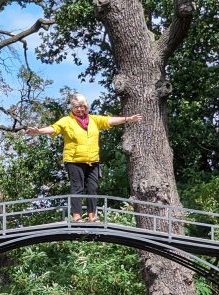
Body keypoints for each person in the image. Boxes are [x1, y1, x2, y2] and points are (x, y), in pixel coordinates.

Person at [25, 93, 142, 222]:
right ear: (72, 107)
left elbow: (109, 120)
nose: (80, 109)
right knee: (77, 188)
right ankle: (77, 216)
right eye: (76, 107)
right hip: (74, 160)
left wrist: (128, 119)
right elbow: (54, 129)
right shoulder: (67, 121)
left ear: (86, 107)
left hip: (92, 160)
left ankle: (92, 216)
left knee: (92, 188)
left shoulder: (94, 120)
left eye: (82, 106)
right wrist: (39, 131)